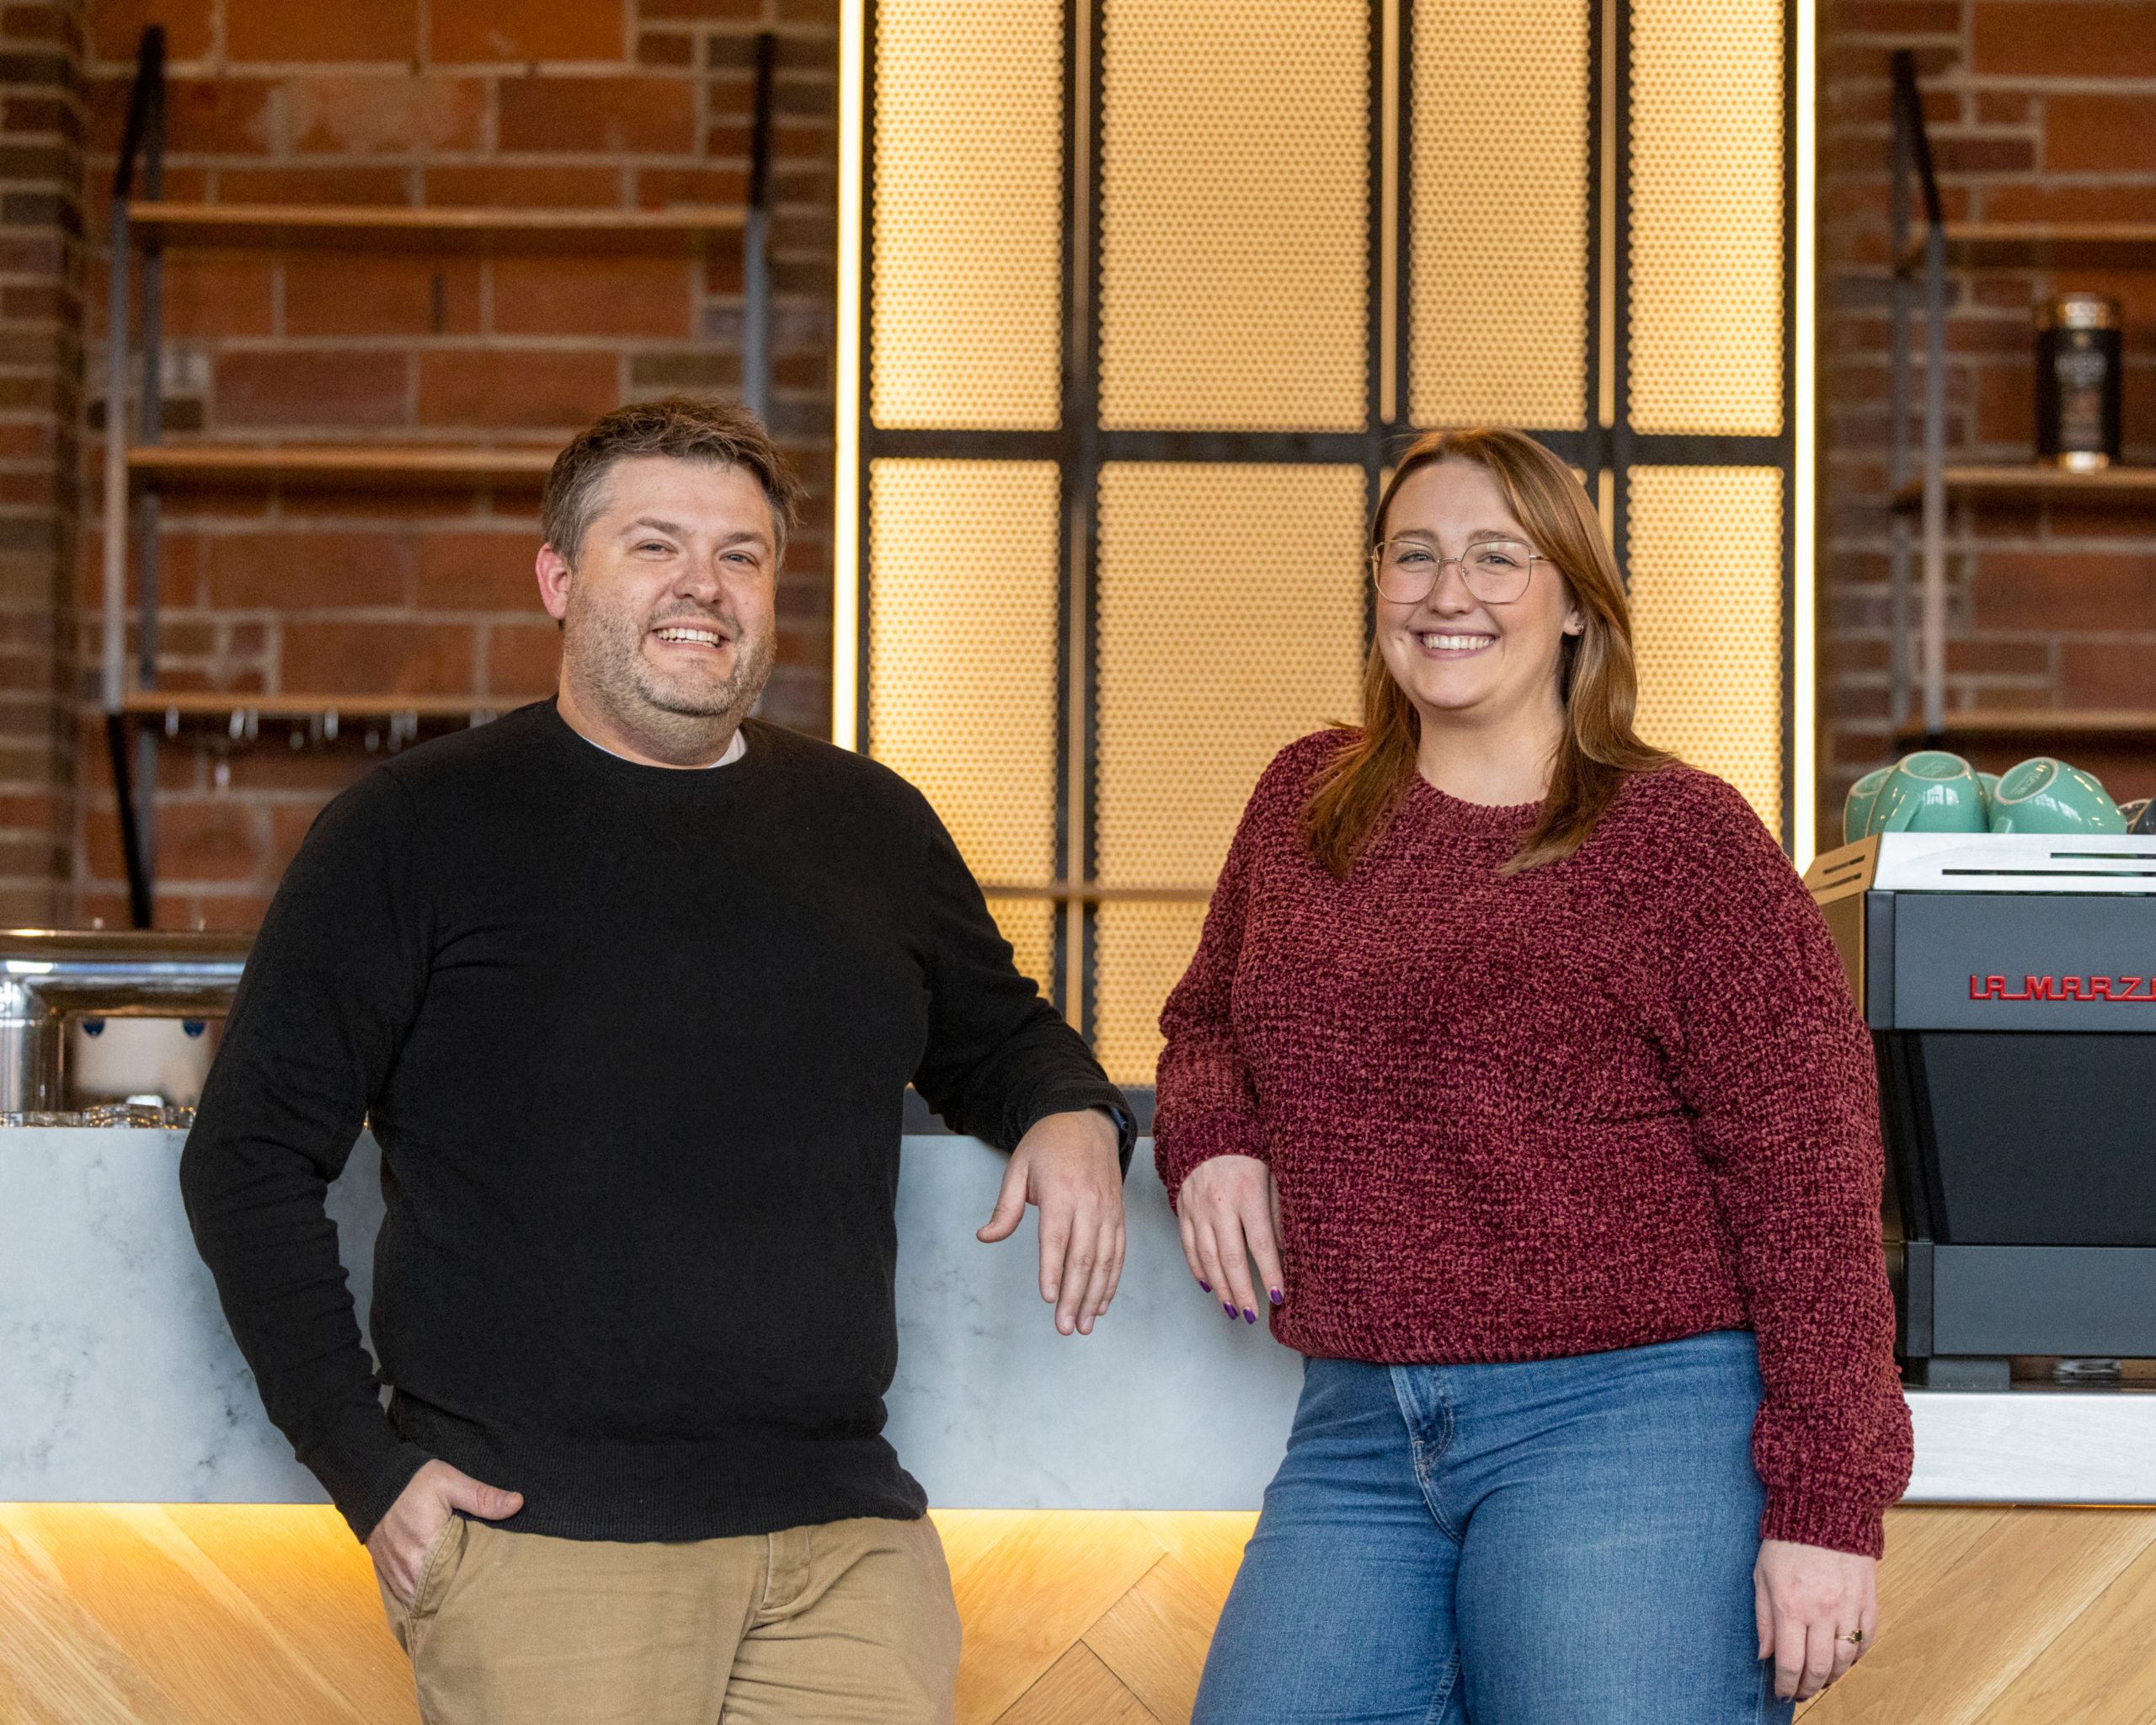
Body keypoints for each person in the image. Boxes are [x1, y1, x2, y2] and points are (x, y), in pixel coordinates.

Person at [180, 396, 1132, 1725]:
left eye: (742, 555)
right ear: (560, 580)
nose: (705, 586)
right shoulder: (413, 830)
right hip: (544, 1545)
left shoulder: (871, 824)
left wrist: (1075, 1108)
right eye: (655, 546)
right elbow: (249, 1161)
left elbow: (1000, 1036)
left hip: (844, 1543)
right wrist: (364, 1465)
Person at [1156, 428, 1911, 1724]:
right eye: (1417, 556)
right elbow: (1208, 1020)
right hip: (1358, 1420)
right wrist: (1214, 1133)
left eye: (1499, 558)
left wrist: (1829, 1504)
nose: (1451, 594)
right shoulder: (1306, 801)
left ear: (1573, 603)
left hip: (1637, 1416)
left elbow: (1813, 1176)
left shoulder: (1684, 841)